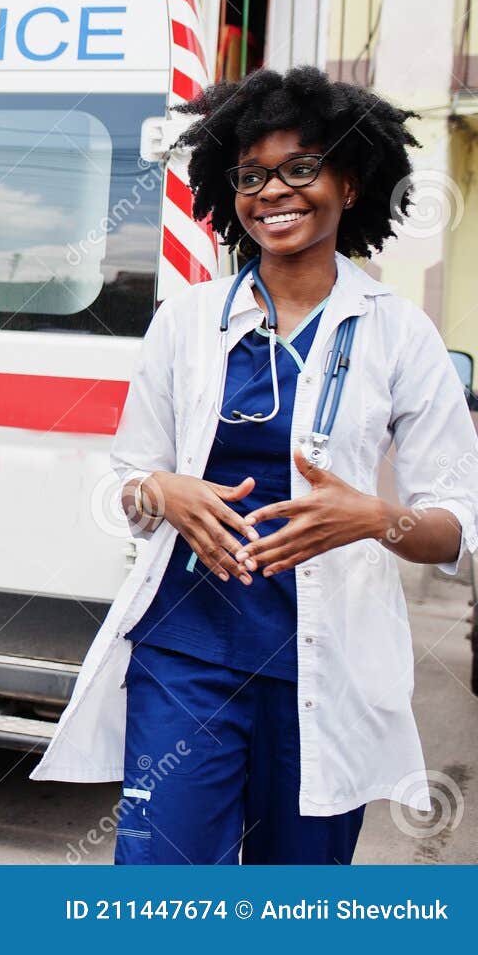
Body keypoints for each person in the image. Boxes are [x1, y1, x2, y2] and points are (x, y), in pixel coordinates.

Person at [33, 66, 478, 864]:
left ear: (349, 179)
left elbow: (460, 525)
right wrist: (158, 489)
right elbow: (119, 483)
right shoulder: (189, 321)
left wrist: (379, 518)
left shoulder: (399, 335)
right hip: (187, 652)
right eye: (251, 175)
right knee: (162, 891)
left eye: (300, 167)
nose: (274, 191)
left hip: (326, 667)